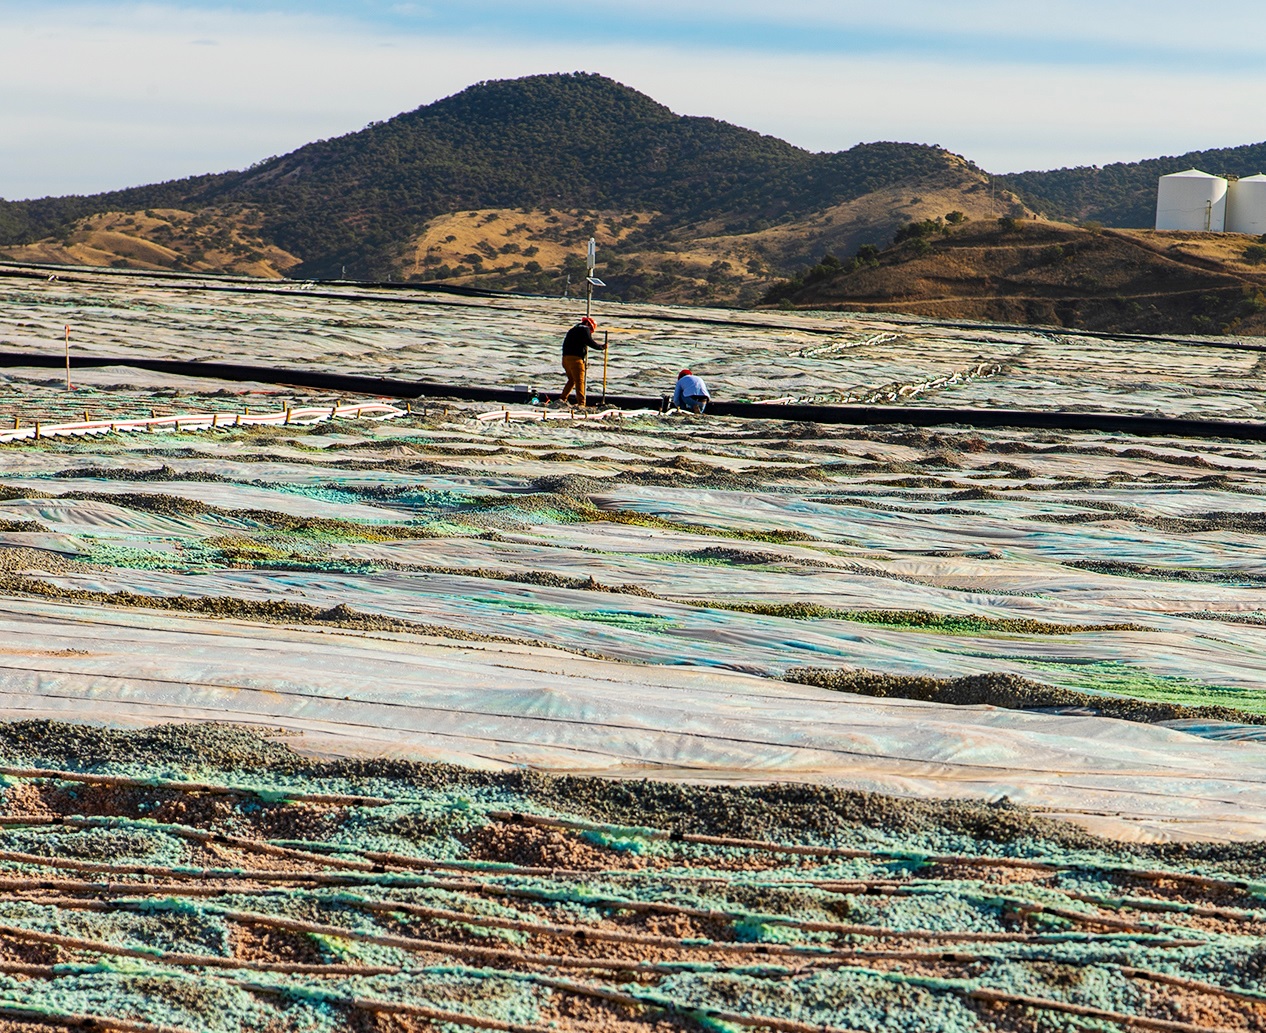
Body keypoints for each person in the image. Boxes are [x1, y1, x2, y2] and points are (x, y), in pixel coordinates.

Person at [559, 316, 605, 407]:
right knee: (580, 382)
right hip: (576, 359)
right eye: (591, 329)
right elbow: (590, 342)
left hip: (565, 359)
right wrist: (601, 347)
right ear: (587, 323)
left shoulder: (572, 330)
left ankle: (562, 399)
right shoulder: (584, 329)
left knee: (571, 380)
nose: (590, 331)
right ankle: (581, 404)